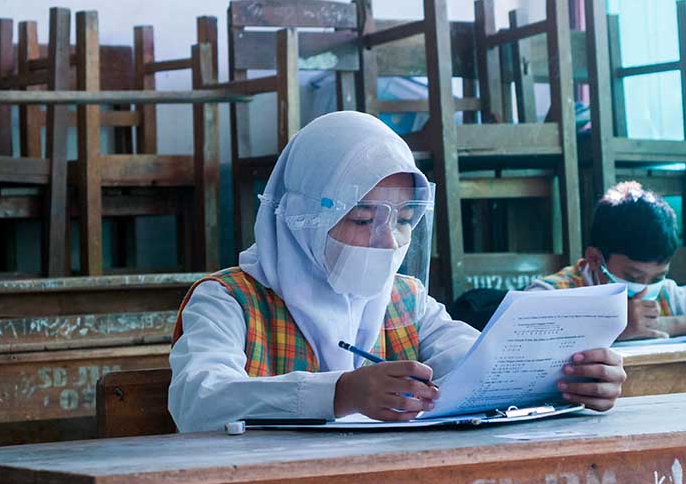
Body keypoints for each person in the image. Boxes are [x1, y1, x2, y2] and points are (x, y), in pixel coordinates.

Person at [169, 112, 626, 432]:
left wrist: (567, 381)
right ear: (300, 217)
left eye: (405, 221)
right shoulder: (230, 301)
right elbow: (200, 400)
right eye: (363, 220)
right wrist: (341, 393)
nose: (389, 242)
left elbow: (478, 365)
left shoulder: (406, 302)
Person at [527, 181, 686, 340]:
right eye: (633, 277)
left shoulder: (666, 296)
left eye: (657, 277)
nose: (644, 289)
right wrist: (613, 329)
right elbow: (522, 336)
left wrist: (666, 325)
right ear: (594, 259)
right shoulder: (552, 292)